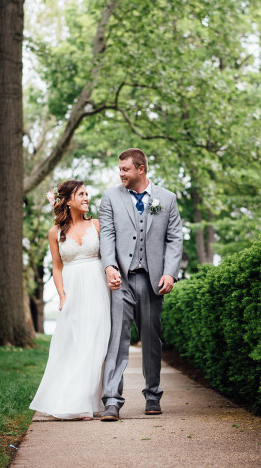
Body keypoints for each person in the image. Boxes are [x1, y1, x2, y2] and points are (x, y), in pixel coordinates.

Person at [99, 148, 183, 421]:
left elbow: (174, 239)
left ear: (141, 169)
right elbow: (107, 235)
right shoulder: (110, 197)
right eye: (120, 169)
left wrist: (170, 273)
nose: (120, 173)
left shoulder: (167, 199)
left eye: (125, 169)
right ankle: (111, 400)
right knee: (117, 341)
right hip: (121, 279)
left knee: (151, 339)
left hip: (152, 280)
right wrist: (109, 266)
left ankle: (152, 396)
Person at [29, 180, 111, 420]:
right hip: (72, 290)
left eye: (87, 193)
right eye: (81, 194)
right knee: (72, 342)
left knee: (94, 343)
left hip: (97, 289)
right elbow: (56, 267)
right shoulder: (55, 232)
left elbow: (108, 256)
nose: (86, 198)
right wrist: (62, 295)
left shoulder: (97, 225)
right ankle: (68, 398)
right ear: (67, 201)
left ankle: (86, 402)